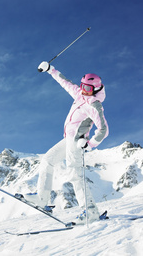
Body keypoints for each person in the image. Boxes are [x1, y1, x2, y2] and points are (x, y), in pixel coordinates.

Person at [36, 61, 109, 223]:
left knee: (75, 173)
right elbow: (65, 82)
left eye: (88, 88)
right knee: (48, 160)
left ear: (96, 89)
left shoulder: (95, 105)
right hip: (67, 139)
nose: (84, 90)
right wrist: (50, 70)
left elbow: (104, 130)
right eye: (83, 86)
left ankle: (90, 211)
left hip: (77, 142)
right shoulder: (80, 94)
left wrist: (90, 144)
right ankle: (41, 198)